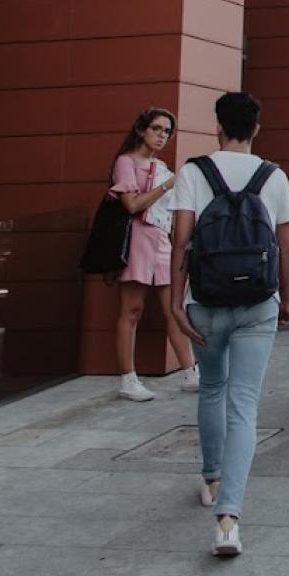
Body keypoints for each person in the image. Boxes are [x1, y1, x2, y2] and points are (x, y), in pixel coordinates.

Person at [166, 92, 289, 558]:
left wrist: (174, 302)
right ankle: (228, 520)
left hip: (204, 301)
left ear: (218, 126)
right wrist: (288, 299)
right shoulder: (274, 176)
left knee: (211, 389)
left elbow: (181, 241)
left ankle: (211, 477)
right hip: (258, 301)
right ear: (257, 128)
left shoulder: (192, 172)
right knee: (243, 403)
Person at [107, 108, 198, 402]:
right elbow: (131, 205)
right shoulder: (126, 162)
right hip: (137, 241)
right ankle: (128, 379)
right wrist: (166, 185)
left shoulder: (159, 166)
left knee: (174, 308)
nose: (162, 136)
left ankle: (190, 371)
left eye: (167, 131)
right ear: (141, 130)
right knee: (131, 310)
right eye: (157, 129)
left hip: (161, 241)